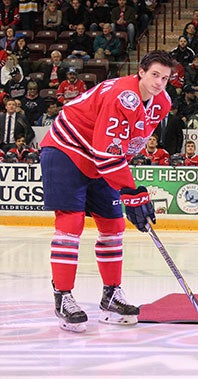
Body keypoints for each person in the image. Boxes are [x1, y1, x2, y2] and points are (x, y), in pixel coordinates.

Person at [38, 50, 174, 333]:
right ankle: (63, 296)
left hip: (101, 158)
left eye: (165, 78)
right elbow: (107, 152)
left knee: (113, 225)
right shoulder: (120, 96)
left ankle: (111, 294)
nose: (159, 82)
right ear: (141, 72)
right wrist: (129, 189)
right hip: (68, 150)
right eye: (154, 75)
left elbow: (125, 146)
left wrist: (129, 190)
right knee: (70, 224)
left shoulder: (162, 103)